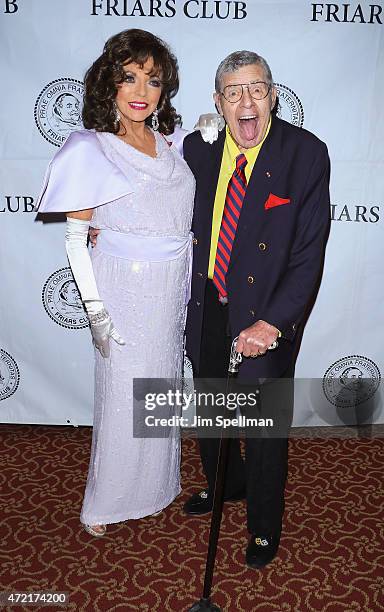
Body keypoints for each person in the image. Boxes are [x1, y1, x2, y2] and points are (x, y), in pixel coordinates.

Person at [36, 29, 196, 537]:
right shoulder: (92, 148)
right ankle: (104, 502)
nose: (141, 90)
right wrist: (96, 311)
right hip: (123, 290)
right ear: (109, 83)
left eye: (152, 80)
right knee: (124, 394)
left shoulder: (168, 144)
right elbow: (75, 239)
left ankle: (155, 487)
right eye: (129, 77)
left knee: (160, 387)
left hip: (170, 288)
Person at [182, 50, 331, 569]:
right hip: (209, 304)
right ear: (218, 101)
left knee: (266, 430)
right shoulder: (198, 149)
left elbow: (309, 253)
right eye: (233, 92)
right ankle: (227, 487)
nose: (246, 102)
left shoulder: (305, 153)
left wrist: (272, 324)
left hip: (266, 314)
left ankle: (265, 526)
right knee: (210, 411)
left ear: (273, 94)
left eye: (257, 89)